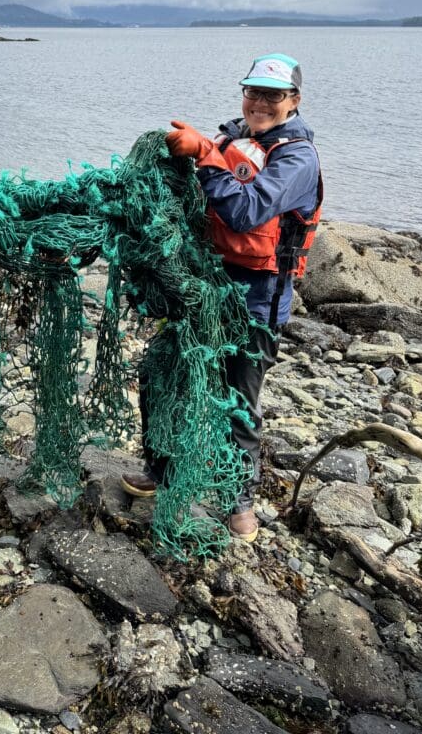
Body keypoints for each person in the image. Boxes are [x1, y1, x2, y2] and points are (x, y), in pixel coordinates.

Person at [122, 53, 322, 543]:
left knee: (237, 400)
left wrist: (206, 158)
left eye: (273, 95)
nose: (260, 102)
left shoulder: (298, 158)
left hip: (257, 302)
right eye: (253, 92)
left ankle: (238, 500)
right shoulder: (233, 137)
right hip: (204, 289)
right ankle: (162, 470)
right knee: (162, 373)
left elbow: (246, 210)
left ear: (293, 101)